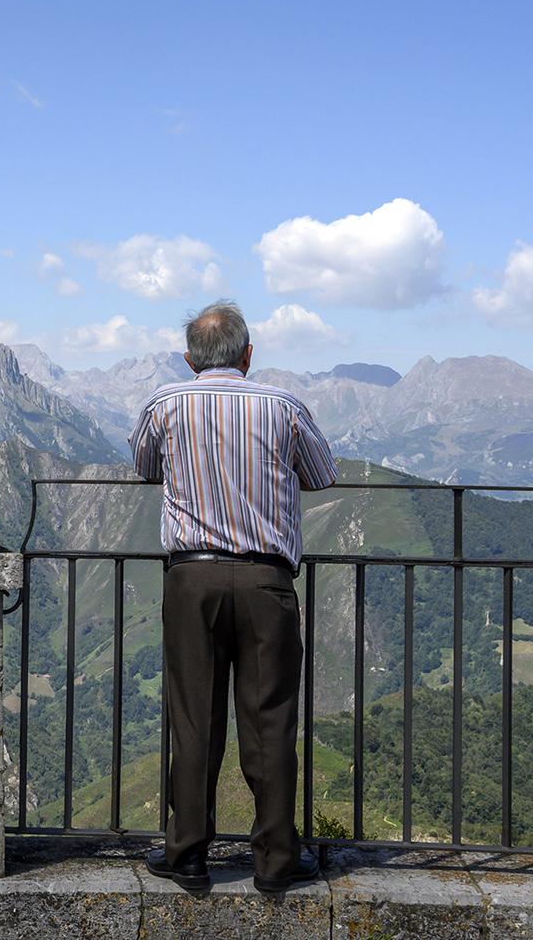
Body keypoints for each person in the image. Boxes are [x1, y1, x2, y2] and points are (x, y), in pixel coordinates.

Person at [128, 299, 338, 894]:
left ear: (189, 358)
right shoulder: (284, 406)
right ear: (249, 355)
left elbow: (146, 467)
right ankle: (275, 862)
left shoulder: (164, 404)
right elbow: (322, 475)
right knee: (269, 721)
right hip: (265, 580)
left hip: (190, 579)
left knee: (194, 717)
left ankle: (187, 854)